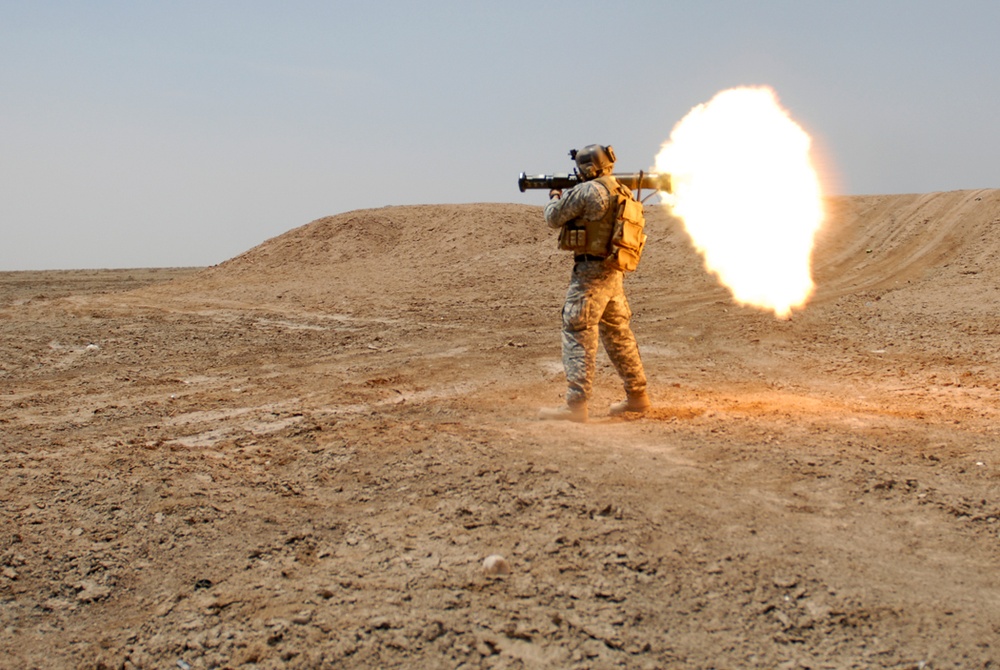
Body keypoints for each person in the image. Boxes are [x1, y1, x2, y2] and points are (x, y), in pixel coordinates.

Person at [539, 144, 651, 423]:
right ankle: (638, 396)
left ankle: (575, 406)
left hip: (589, 275)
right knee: (619, 335)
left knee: (577, 332)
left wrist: (554, 194)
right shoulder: (621, 190)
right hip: (613, 272)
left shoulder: (588, 191)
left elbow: (554, 218)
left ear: (588, 168)